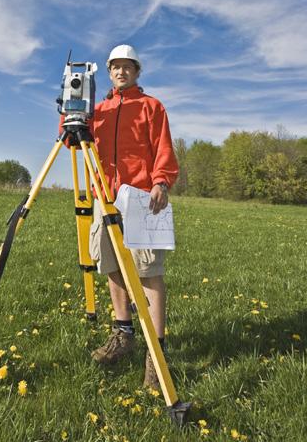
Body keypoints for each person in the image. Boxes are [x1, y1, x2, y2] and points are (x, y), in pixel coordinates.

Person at [88, 44, 178, 389]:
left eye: (128, 67)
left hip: (142, 197)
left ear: (137, 72)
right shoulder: (100, 110)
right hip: (104, 196)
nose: (121, 72)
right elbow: (70, 142)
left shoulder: (152, 107)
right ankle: (123, 334)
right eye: (115, 67)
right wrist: (71, 112)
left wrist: (161, 181)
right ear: (109, 72)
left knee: (147, 272)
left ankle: (157, 353)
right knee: (111, 265)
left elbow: (164, 148)